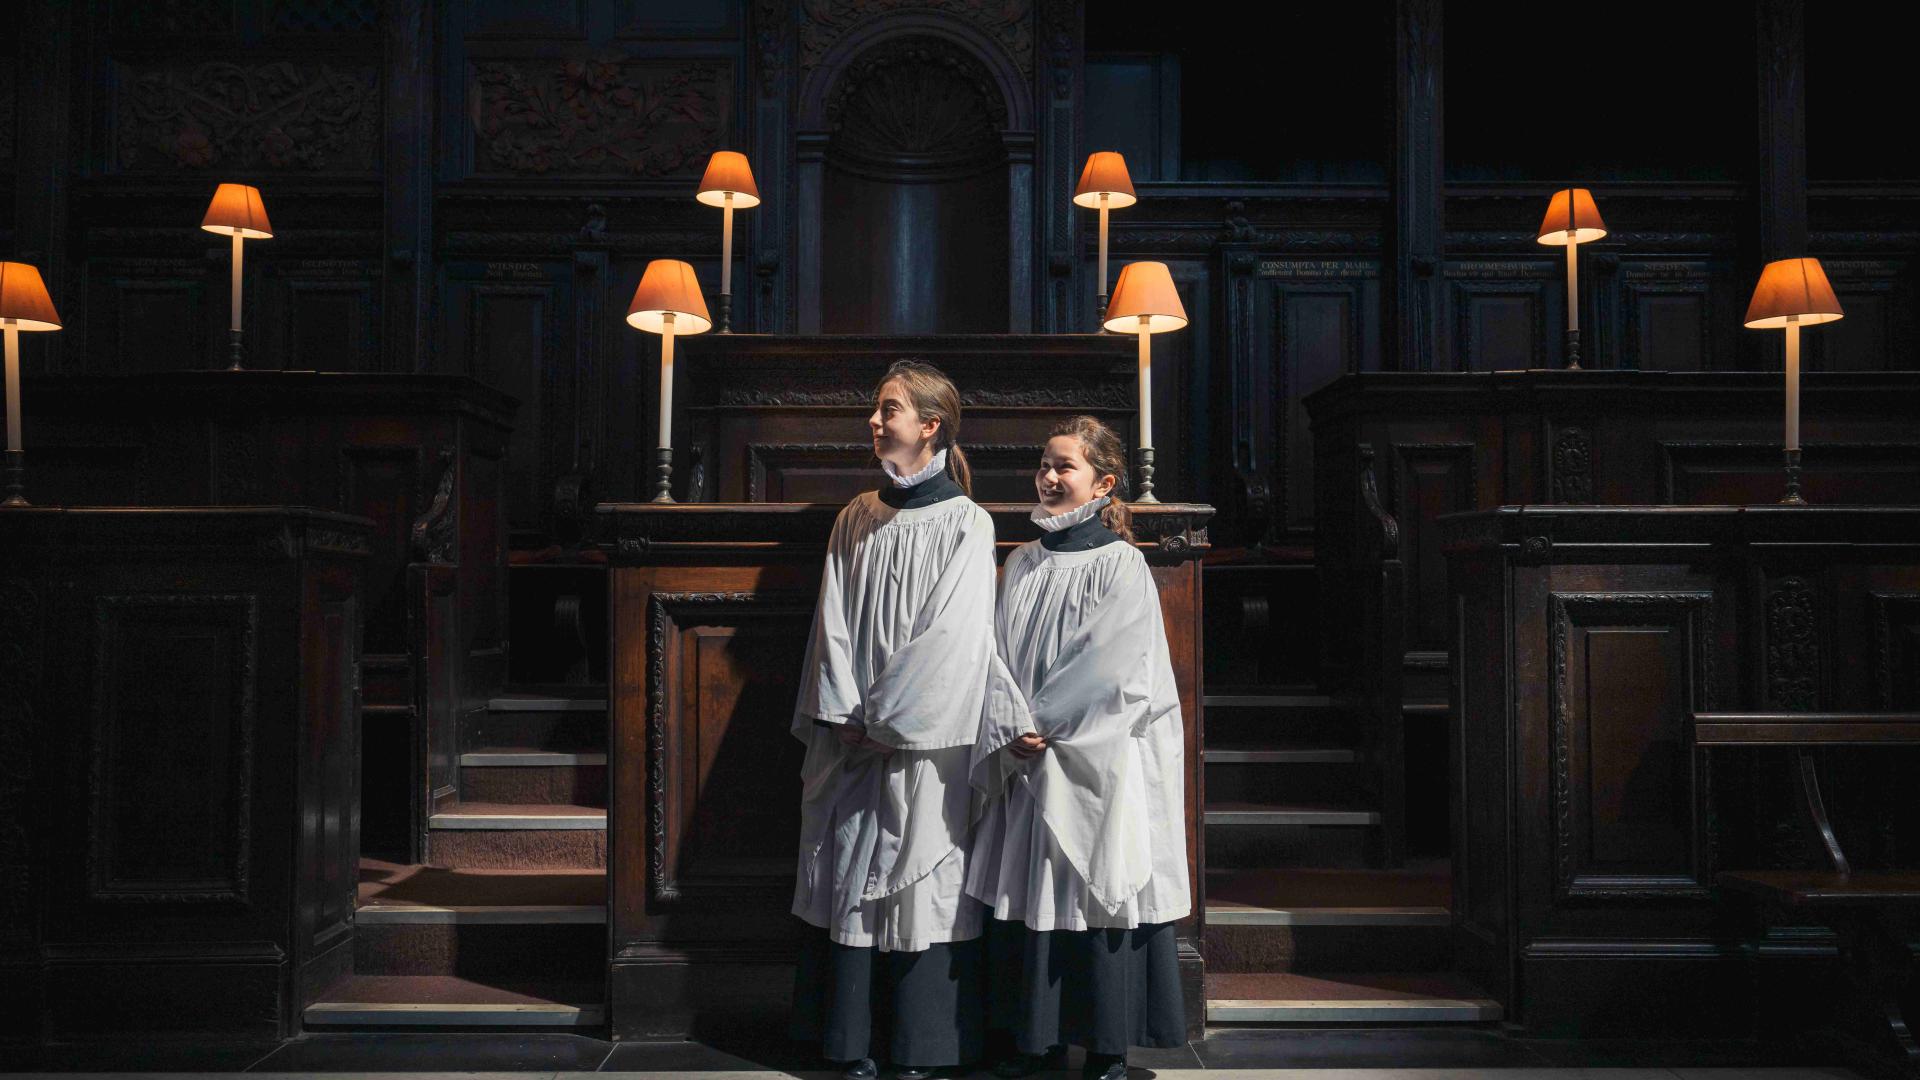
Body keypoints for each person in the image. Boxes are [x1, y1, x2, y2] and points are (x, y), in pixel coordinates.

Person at [790, 360, 996, 1080]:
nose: (874, 423)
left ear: (930, 426)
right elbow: (833, 622)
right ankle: (852, 1041)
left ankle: (918, 1047)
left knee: (920, 878)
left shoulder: (968, 523)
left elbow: (955, 637)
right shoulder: (856, 516)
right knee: (848, 870)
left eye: (888, 410)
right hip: (853, 737)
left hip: (921, 745)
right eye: (875, 411)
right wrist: (846, 708)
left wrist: (890, 718)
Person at [969, 415, 1190, 1080]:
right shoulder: (1023, 561)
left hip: (1093, 751)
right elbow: (995, 652)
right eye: (1044, 464)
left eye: (1064, 465)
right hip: (1027, 753)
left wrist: (1047, 725)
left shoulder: (1121, 565)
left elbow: (1115, 665)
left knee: (1092, 885)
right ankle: (1029, 1037)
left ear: (1104, 482)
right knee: (1028, 887)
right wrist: (1012, 724)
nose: (1048, 475)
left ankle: (1104, 1045)